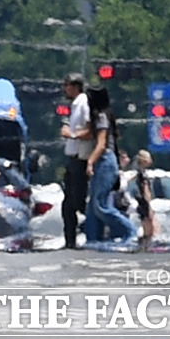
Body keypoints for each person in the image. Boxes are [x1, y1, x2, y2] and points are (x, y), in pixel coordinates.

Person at [82, 85, 136, 243]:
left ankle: (130, 232)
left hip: (105, 160)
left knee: (101, 205)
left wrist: (90, 162)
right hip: (102, 160)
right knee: (92, 206)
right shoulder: (97, 117)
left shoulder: (101, 117)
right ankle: (92, 239)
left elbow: (101, 144)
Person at [59, 73, 94, 248]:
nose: (65, 88)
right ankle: (70, 241)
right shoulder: (75, 105)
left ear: (76, 86)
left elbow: (90, 130)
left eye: (67, 85)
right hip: (72, 158)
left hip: (80, 158)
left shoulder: (83, 104)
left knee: (78, 202)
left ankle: (94, 232)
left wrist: (71, 134)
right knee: (68, 205)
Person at [134, 149, 159, 248]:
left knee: (149, 226)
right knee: (150, 227)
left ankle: (144, 244)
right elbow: (145, 190)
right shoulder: (142, 174)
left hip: (142, 202)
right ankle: (145, 245)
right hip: (144, 203)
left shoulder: (140, 173)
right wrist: (149, 205)